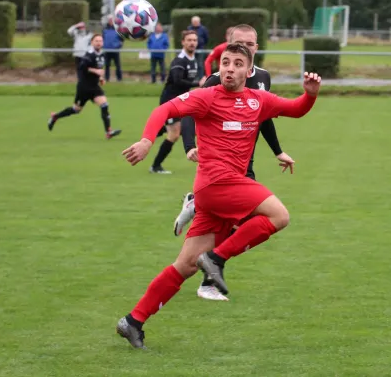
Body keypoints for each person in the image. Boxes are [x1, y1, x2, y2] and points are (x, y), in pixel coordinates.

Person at [117, 42, 321, 349]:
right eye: (225, 62)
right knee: (280, 215)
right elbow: (165, 108)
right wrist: (147, 140)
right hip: (215, 184)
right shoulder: (206, 97)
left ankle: (132, 321)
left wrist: (310, 94)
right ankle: (215, 259)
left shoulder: (258, 100)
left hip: (220, 193)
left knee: (184, 266)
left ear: (248, 69)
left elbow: (296, 109)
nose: (229, 68)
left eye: (238, 63)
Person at [174, 24, 295, 301]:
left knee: (238, 226)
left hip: (244, 160)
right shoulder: (218, 79)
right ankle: (209, 280)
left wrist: (278, 151)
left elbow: (264, 116)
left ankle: (209, 270)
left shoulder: (263, 77)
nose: (247, 47)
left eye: (251, 44)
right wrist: (190, 146)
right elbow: (189, 111)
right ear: (228, 46)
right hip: (219, 165)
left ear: (256, 48)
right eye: (240, 43)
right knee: (254, 220)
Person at [149, 30, 205, 174]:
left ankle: (160, 128)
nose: (192, 42)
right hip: (170, 101)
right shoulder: (179, 60)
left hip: (182, 102)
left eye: (194, 40)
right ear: (183, 42)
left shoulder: (193, 59)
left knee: (182, 129)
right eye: (189, 40)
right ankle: (156, 166)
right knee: (174, 134)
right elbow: (178, 80)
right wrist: (197, 83)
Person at [47, 35, 122, 140]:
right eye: (96, 41)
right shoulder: (89, 54)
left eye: (100, 41)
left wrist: (100, 78)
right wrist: (96, 71)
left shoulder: (101, 55)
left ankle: (108, 132)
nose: (99, 43)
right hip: (84, 88)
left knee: (104, 105)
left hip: (94, 87)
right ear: (92, 43)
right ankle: (55, 117)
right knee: (76, 110)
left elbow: (99, 68)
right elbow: (82, 67)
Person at [102, 15, 124, 82]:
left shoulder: (117, 29)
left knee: (118, 66)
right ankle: (107, 79)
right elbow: (103, 38)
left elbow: (122, 39)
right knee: (107, 66)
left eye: (112, 20)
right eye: (110, 20)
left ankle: (119, 79)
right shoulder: (105, 29)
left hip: (115, 51)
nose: (111, 21)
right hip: (107, 51)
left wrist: (118, 46)